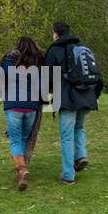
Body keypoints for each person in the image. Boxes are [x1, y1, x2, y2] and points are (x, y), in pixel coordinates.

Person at [45, 21, 103, 184]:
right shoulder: (83, 49)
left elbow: (48, 77)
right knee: (79, 127)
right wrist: (96, 94)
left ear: (56, 34)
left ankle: (68, 175)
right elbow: (98, 74)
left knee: (66, 136)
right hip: (88, 96)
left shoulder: (54, 50)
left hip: (67, 99)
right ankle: (81, 155)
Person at [0, 36, 46, 190]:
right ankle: (21, 172)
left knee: (15, 140)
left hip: (13, 105)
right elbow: (42, 86)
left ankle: (21, 169)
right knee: (23, 138)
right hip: (31, 107)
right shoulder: (36, 64)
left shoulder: (8, 60)